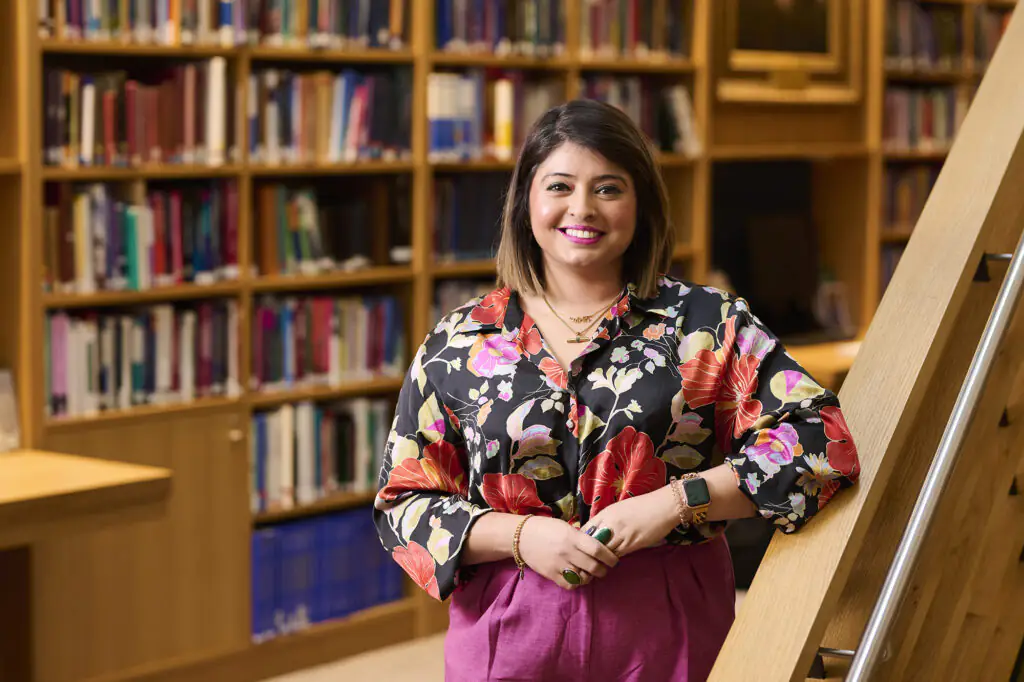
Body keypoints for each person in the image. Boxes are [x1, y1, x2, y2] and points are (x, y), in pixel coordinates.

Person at [372, 99, 861, 681]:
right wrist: (524, 536)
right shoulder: (460, 339)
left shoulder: (708, 324)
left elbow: (820, 441)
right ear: (526, 199)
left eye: (608, 188)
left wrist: (674, 503)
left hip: (667, 609)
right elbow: (404, 500)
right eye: (559, 186)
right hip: (512, 615)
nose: (582, 208)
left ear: (641, 203)